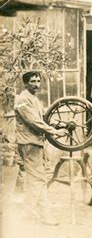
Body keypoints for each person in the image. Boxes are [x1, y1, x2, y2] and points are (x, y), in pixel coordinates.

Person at [14, 71, 67, 225]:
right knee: (38, 179)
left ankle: (31, 214)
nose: (37, 84)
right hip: (29, 143)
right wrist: (54, 131)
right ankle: (39, 215)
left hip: (36, 142)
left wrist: (59, 124)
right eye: (33, 81)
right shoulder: (22, 100)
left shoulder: (34, 99)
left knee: (36, 179)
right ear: (25, 83)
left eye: (38, 81)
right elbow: (34, 122)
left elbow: (44, 119)